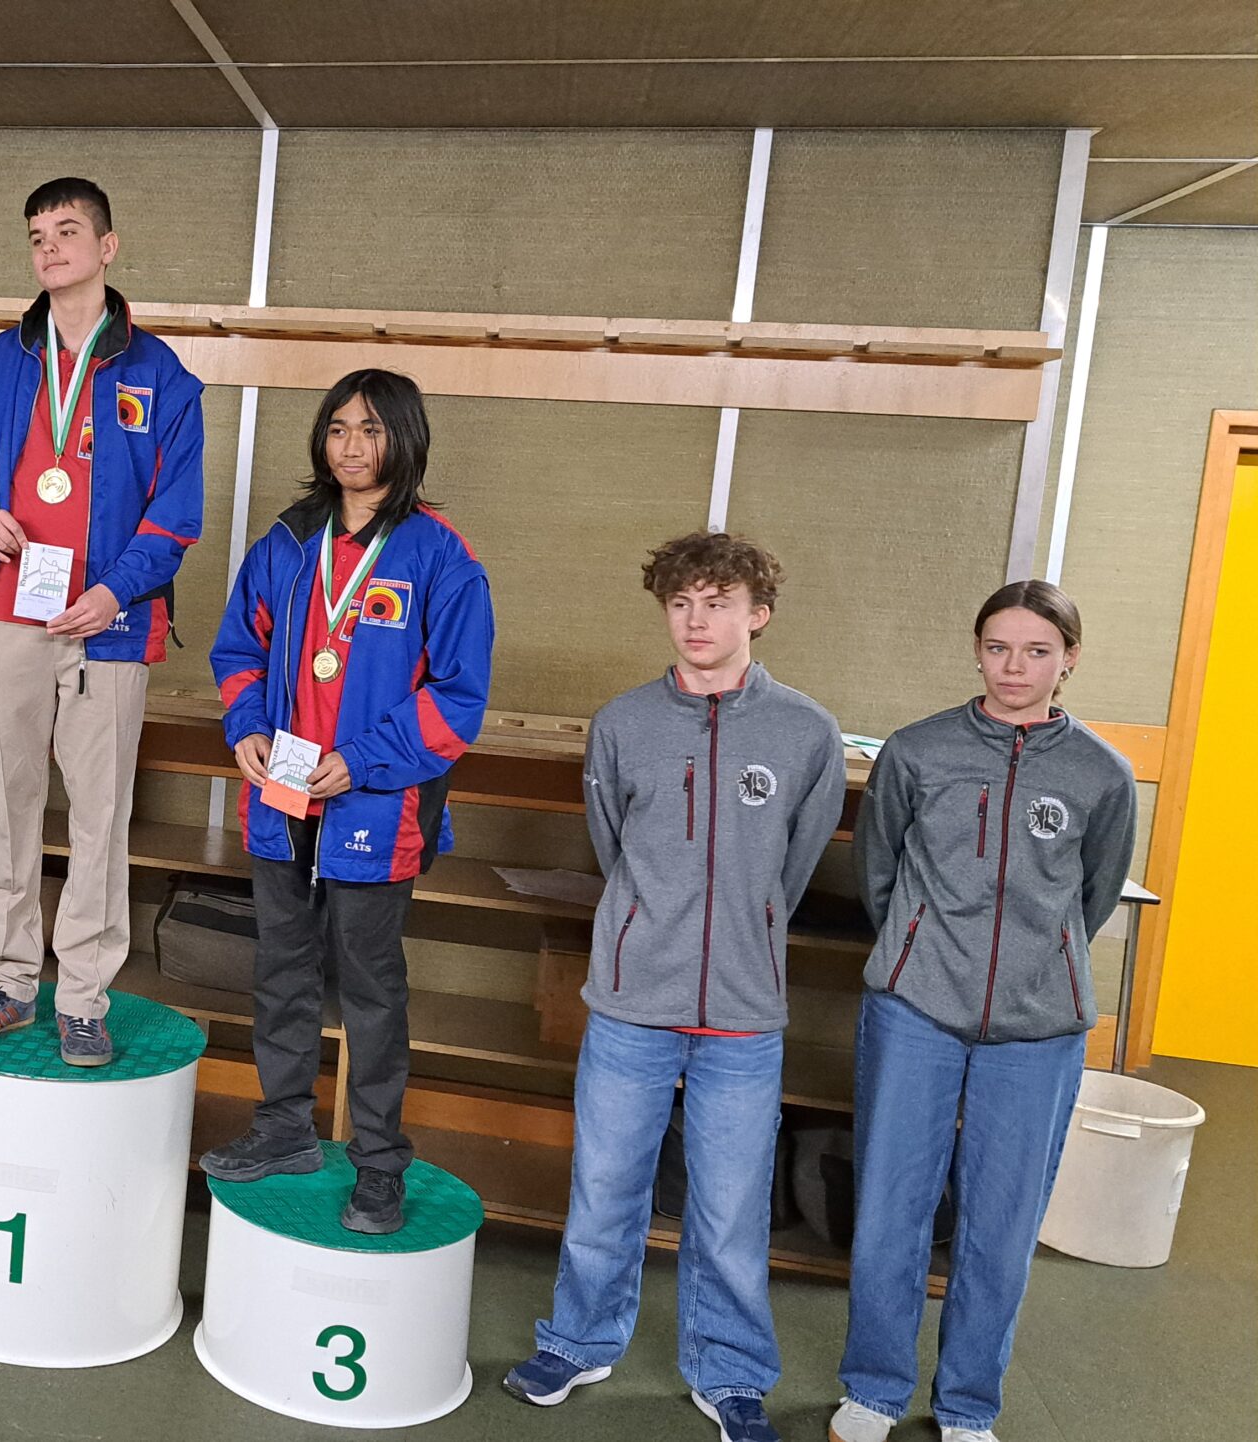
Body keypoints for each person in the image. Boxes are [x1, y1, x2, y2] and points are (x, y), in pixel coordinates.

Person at [503, 533, 846, 1442]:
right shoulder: (622, 724)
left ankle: (729, 1373)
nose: (697, 621)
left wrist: (745, 930)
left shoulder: (807, 733)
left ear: (758, 615)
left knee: (730, 1209)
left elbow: (795, 865)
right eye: (682, 603)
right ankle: (578, 1341)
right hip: (631, 1004)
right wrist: (649, 932)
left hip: (744, 1012)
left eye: (718, 603)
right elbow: (613, 845)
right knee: (604, 1185)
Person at [829, 582, 1136, 1442]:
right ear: (976, 651)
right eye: (998, 648)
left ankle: (967, 1407)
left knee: (1001, 1225)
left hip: (1039, 1028)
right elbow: (877, 873)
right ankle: (874, 1392)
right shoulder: (917, 751)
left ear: (1068, 660)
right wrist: (917, 948)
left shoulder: (1102, 774)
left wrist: (1042, 962)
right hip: (915, 1009)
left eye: (1037, 651)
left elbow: (1095, 894)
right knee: (891, 1209)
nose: (1014, 667)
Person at [204, 369, 493, 1232]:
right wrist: (246, 727)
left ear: (405, 438)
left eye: (370, 430)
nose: (351, 446)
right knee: (281, 972)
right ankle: (284, 1130)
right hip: (281, 795)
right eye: (337, 429)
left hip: (377, 805)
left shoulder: (440, 555)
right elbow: (238, 649)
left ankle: (378, 1163)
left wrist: (361, 762)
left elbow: (457, 699)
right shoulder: (288, 542)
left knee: (370, 990)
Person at [0, 177, 206, 1064]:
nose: (49, 248)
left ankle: (83, 995)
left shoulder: (163, 377)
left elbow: (177, 516)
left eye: (67, 231)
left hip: (108, 628)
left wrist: (116, 592)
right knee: (9, 808)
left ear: (107, 247)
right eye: (37, 236)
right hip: (7, 613)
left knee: (99, 818)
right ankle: (8, 981)